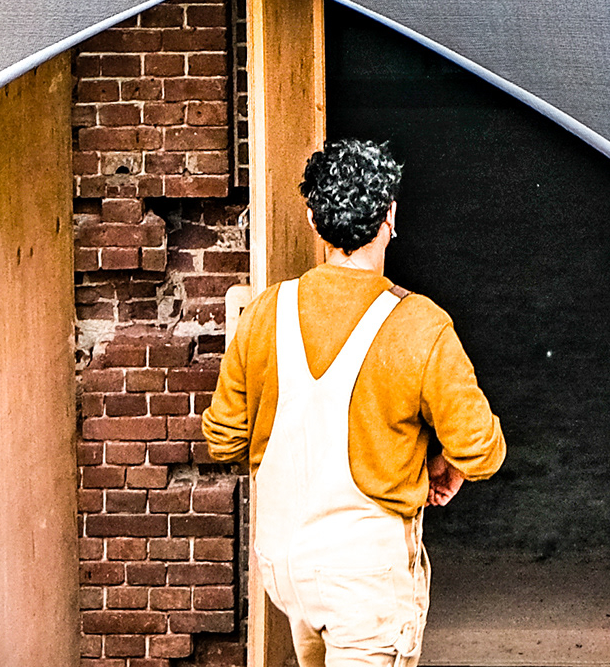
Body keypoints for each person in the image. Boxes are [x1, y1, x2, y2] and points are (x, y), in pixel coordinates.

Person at [201, 139, 506, 667]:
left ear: (316, 224)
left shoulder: (265, 312)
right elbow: (480, 448)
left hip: (286, 567)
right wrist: (443, 466)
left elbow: (224, 439)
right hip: (365, 577)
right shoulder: (420, 325)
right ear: (390, 217)